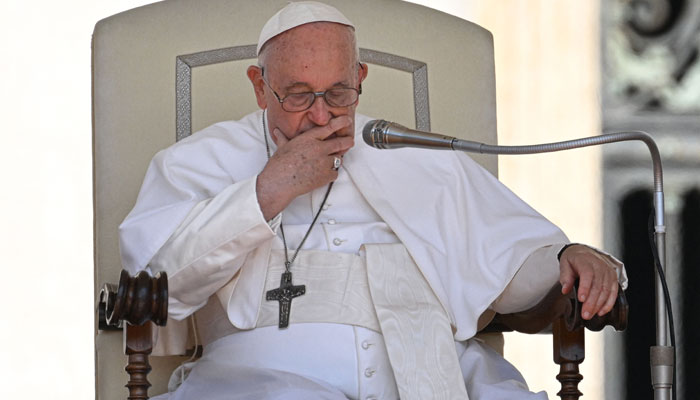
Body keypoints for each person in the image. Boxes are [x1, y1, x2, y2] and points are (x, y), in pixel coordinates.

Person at [119, 2, 626, 399]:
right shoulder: (195, 160)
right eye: (298, 95)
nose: (321, 117)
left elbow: (508, 260)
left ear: (360, 80)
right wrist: (268, 190)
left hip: (439, 376)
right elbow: (157, 282)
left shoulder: (413, 153)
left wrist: (566, 258)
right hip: (259, 380)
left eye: (338, 93)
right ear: (259, 87)